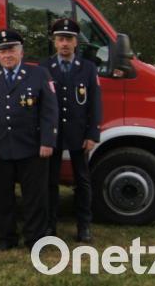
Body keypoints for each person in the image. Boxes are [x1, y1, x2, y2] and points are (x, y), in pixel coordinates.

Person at [0, 29, 58, 251]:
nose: (7, 55)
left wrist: (47, 141)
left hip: (32, 148)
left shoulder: (39, 74)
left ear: (21, 52)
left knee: (35, 197)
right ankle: (6, 238)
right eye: (2, 51)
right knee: (3, 198)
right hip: (0, 147)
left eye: (11, 49)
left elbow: (50, 111)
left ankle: (35, 239)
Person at [40, 18, 101, 243]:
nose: (65, 43)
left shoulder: (88, 68)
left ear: (76, 43)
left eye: (69, 39)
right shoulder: (45, 67)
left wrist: (92, 134)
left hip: (79, 133)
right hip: (53, 134)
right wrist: (43, 134)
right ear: (55, 42)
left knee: (82, 181)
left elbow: (95, 103)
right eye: (60, 39)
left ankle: (84, 226)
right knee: (50, 181)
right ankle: (49, 226)